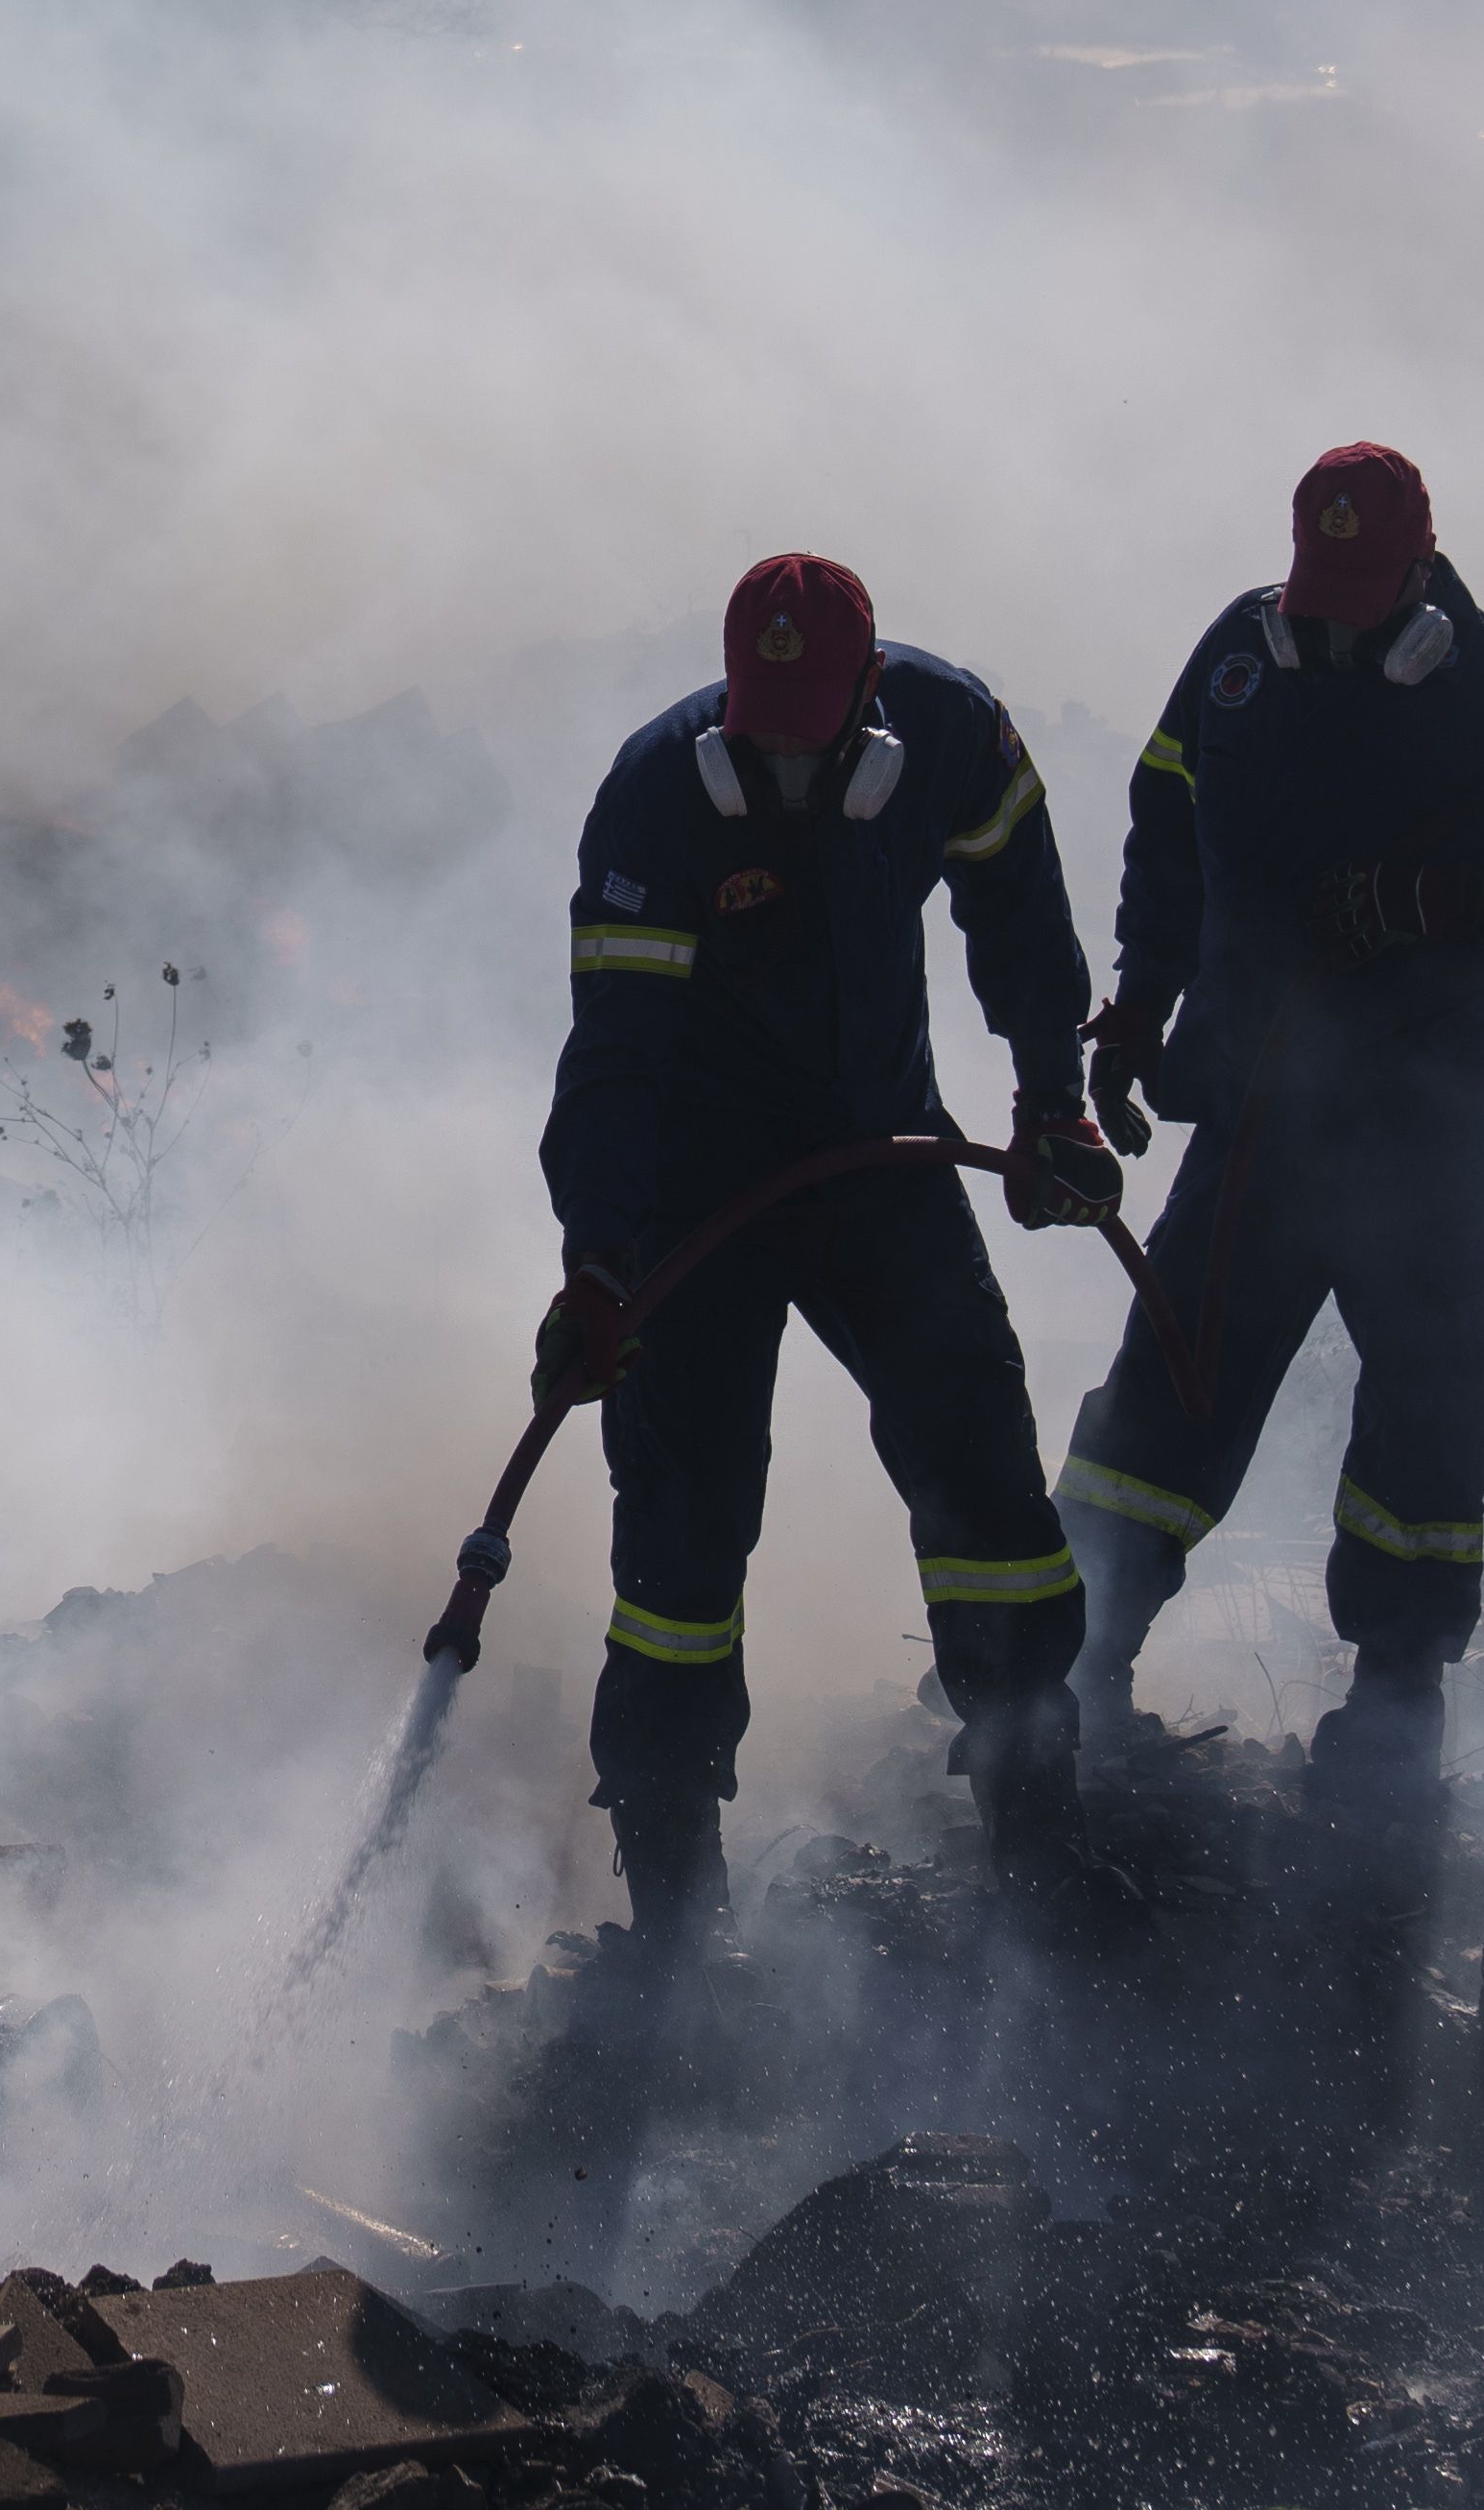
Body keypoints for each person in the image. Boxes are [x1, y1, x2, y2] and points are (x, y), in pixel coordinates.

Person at [1057, 440, 1484, 1819]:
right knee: (1175, 1378)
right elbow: (1165, 822)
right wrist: (1142, 1001)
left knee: (1429, 1410)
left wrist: (1445, 905)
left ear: (1419, 576)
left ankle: (1395, 1703)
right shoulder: (1237, 665)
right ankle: (1067, 1659)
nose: (1329, 621)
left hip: (1426, 1122)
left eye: (1359, 597)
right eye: (1315, 591)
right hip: (1262, 1103)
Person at [539, 550, 1116, 1943]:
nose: (788, 772)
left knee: (981, 1466)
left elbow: (1023, 922)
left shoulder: (956, 738)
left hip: (881, 1158)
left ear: (869, 695)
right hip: (698, 1192)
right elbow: (614, 1061)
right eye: (762, 741)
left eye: (815, 741)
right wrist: (599, 1268)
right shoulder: (657, 797)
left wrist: (1051, 1103)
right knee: (681, 1524)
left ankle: (1035, 1819)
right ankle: (673, 1884)